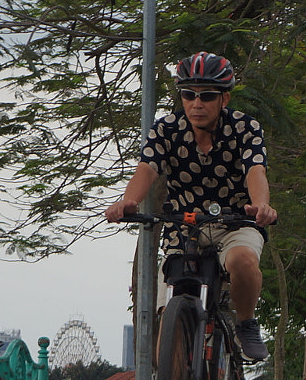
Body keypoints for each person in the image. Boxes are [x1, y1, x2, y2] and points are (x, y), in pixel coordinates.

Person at [104, 51, 277, 361]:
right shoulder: (165, 130)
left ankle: (246, 323)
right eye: (188, 95)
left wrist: (261, 205)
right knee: (168, 306)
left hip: (236, 222)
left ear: (224, 99)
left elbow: (256, 170)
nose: (197, 103)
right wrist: (128, 201)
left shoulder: (245, 128)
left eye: (207, 96)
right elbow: (147, 169)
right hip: (183, 226)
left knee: (243, 261)